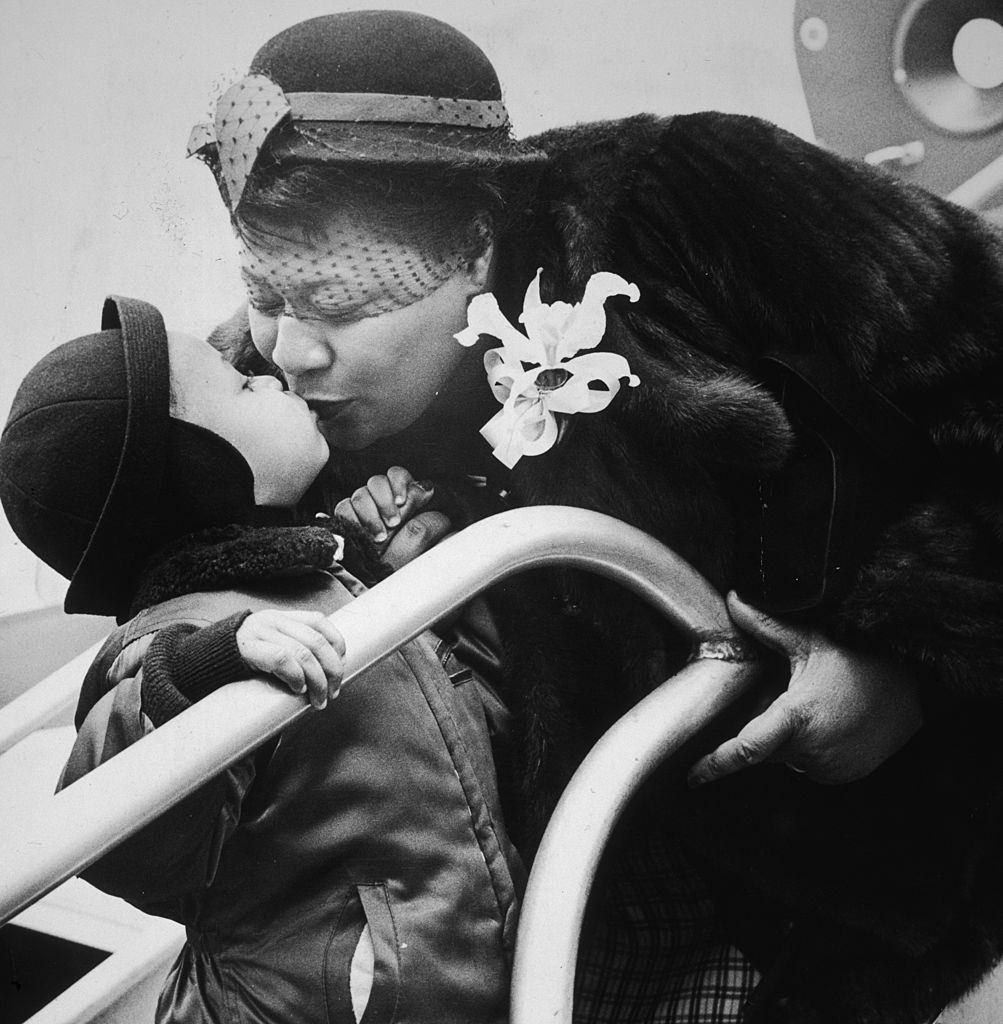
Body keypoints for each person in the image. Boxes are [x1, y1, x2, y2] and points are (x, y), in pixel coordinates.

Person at [0, 296, 523, 1024]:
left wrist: (410, 577)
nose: (277, 377)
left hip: (438, 974)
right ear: (197, 473)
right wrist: (203, 668)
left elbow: (477, 728)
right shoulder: (184, 633)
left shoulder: (320, 581)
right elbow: (129, 848)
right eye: (246, 387)